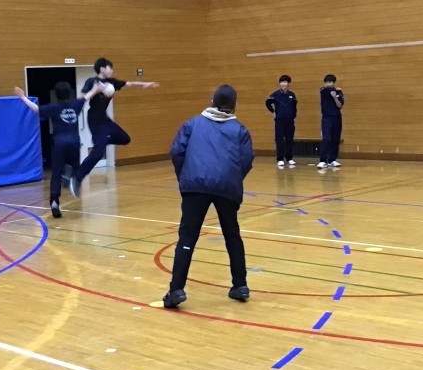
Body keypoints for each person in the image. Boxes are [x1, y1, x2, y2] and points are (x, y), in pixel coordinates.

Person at [163, 85, 255, 308]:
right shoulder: (240, 130)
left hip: (195, 185)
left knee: (187, 237)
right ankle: (240, 285)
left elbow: (176, 152)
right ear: (234, 105)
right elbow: (246, 160)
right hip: (227, 187)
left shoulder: (192, 124)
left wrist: (185, 177)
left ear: (212, 101)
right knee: (232, 236)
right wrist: (232, 179)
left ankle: (176, 290)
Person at [70, 57, 159, 197]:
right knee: (98, 154)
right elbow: (81, 97)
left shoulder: (112, 82)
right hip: (94, 120)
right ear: (102, 69)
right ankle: (77, 178)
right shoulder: (92, 81)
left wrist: (146, 84)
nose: (112, 70)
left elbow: (130, 84)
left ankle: (103, 141)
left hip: (105, 120)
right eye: (110, 68)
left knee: (125, 138)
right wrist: (94, 91)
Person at [14, 81, 101, 218]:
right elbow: (87, 96)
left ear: (56, 94)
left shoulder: (53, 108)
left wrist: (23, 97)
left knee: (56, 172)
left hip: (60, 144)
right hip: (74, 142)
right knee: (76, 167)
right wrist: (96, 89)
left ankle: (55, 202)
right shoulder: (75, 104)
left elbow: (35, 109)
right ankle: (71, 176)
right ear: (69, 93)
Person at [265, 74, 298, 167]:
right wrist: (273, 111)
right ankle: (280, 159)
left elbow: (295, 106)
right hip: (279, 120)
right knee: (279, 139)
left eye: (285, 82)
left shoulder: (292, 95)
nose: (283, 84)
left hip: (290, 120)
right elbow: (267, 103)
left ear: (288, 84)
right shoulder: (275, 94)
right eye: (281, 82)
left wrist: (293, 115)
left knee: (289, 139)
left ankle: (289, 158)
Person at [317, 74, 345, 169]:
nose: (328, 84)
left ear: (333, 82)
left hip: (337, 117)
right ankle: (323, 160)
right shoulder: (323, 90)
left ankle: (332, 160)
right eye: (326, 82)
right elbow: (324, 90)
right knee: (326, 138)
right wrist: (335, 90)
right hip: (327, 118)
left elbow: (339, 105)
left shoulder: (338, 92)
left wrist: (335, 96)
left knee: (335, 139)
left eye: (330, 82)